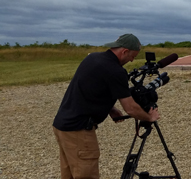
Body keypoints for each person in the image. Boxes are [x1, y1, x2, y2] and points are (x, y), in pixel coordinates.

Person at [52, 33, 160, 179]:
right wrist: (150, 117)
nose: (132, 60)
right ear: (124, 51)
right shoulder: (115, 71)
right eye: (132, 56)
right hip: (79, 130)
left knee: (70, 174)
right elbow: (130, 108)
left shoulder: (93, 58)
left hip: (62, 127)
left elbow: (91, 88)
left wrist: (110, 108)